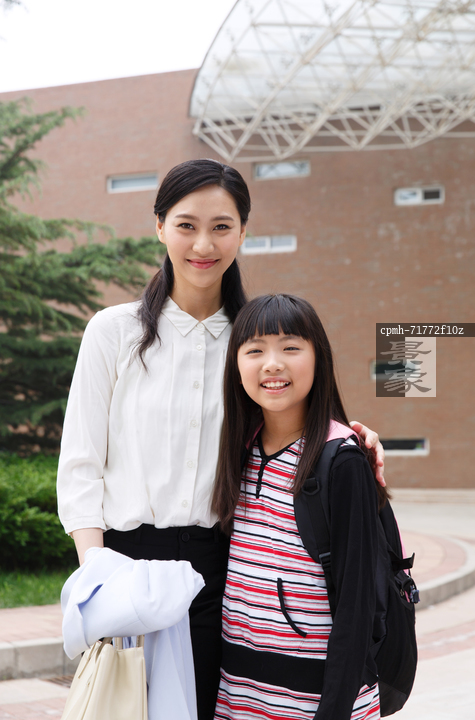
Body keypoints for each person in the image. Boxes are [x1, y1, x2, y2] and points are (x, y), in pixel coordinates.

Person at [57, 159, 385, 720]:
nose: (203, 244)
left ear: (243, 231)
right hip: (124, 566)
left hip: (221, 573)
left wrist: (355, 438)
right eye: (186, 225)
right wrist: (99, 573)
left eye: (221, 227)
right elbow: (81, 463)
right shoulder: (113, 332)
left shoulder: (253, 342)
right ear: (159, 227)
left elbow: (295, 421)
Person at [212, 293, 386, 720]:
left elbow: (357, 607)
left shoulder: (340, 460)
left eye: (290, 347)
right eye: (255, 350)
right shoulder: (240, 449)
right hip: (239, 694)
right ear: (236, 366)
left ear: (318, 358)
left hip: (316, 698)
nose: (272, 364)